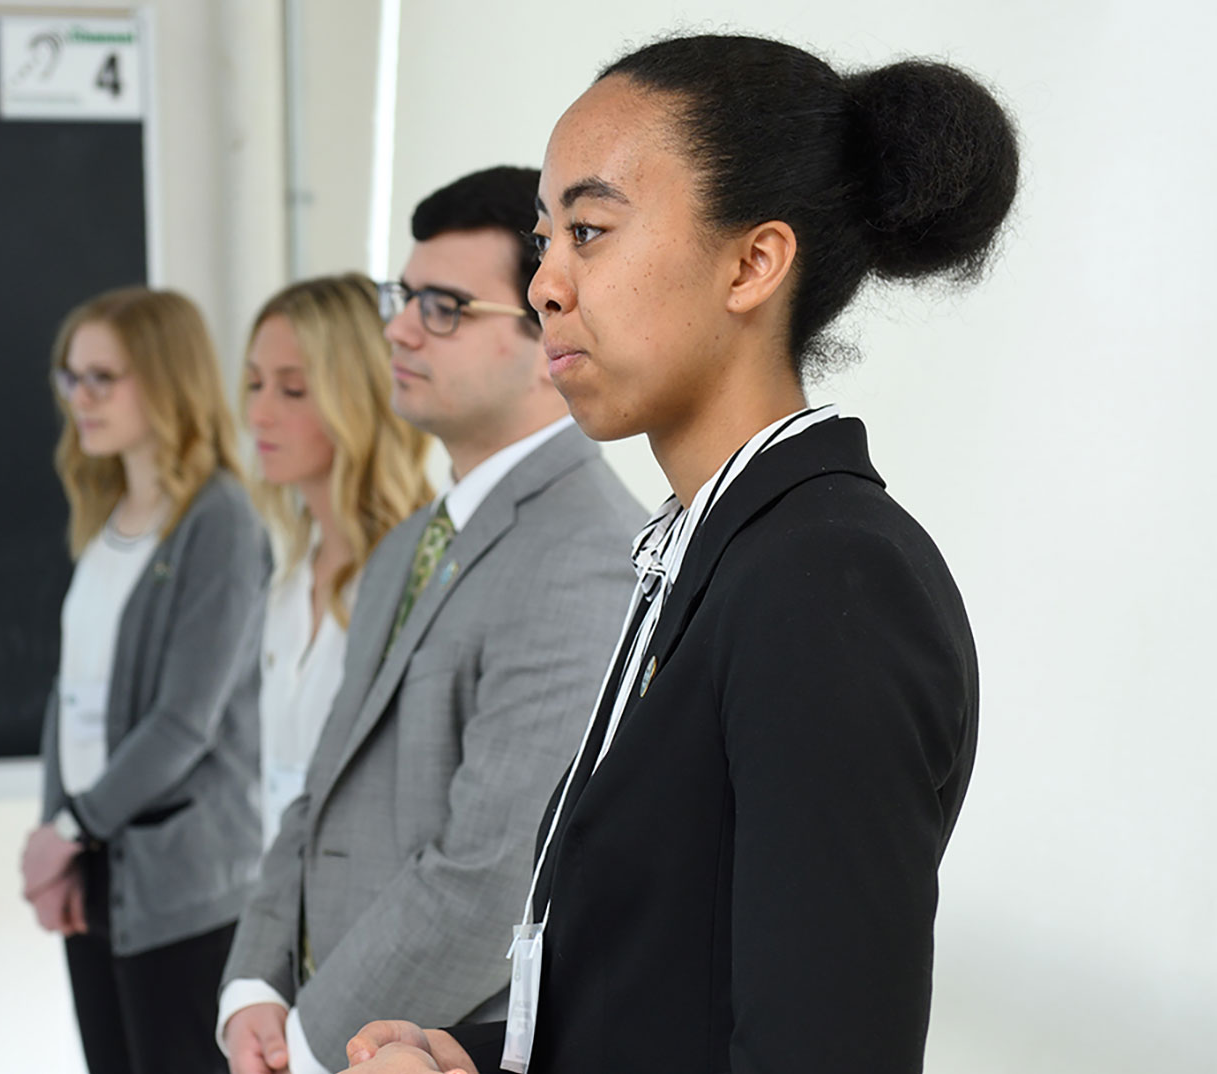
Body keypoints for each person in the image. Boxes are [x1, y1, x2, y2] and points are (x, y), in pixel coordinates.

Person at [340, 34, 1019, 1074]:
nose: (544, 287)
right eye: (543, 240)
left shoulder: (826, 581)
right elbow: (663, 997)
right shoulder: (713, 553)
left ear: (751, 263)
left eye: (590, 230)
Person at [216, 166, 649, 1074]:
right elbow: (318, 791)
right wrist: (252, 985)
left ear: (547, 329)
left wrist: (306, 1038)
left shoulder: (584, 550)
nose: (401, 329)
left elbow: (491, 873)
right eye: (403, 297)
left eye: (446, 306)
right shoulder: (408, 542)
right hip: (337, 1031)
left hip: (432, 1047)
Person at [21, 286, 268, 1074]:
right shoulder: (106, 515)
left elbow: (182, 723)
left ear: (164, 379)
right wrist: (65, 838)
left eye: (104, 377)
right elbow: (73, 703)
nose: (80, 399)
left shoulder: (219, 521)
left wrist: (64, 833)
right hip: (96, 865)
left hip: (182, 885)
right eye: (71, 378)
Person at [242, 273, 435, 848]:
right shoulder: (288, 577)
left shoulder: (420, 572)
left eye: (293, 390)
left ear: (357, 395)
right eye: (254, 385)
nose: (259, 414)